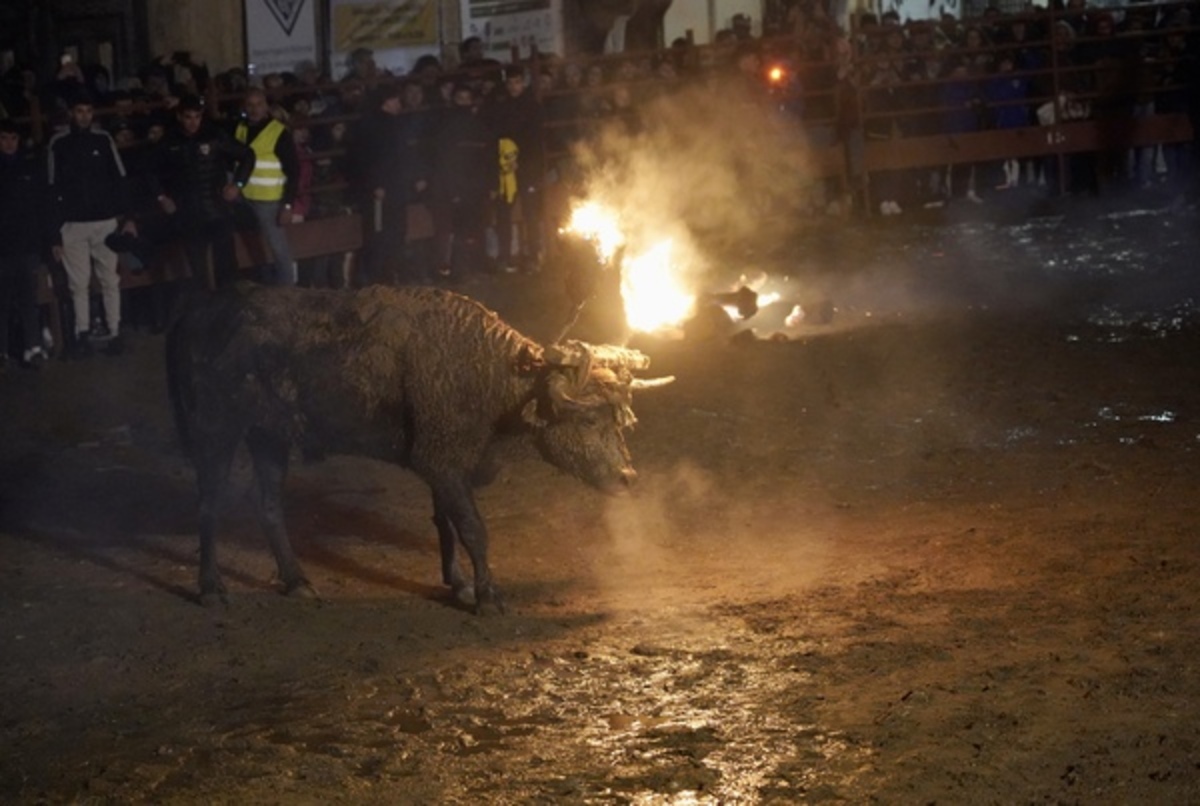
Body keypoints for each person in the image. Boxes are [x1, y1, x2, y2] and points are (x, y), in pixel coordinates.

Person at [47, 92, 138, 357]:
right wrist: (55, 231)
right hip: (73, 222)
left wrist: (128, 216)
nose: (84, 116)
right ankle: (83, 333)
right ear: (71, 113)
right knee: (79, 282)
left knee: (109, 278)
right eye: (79, 111)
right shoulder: (58, 143)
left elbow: (119, 179)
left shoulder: (103, 139)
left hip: (104, 221)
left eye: (88, 111)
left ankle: (114, 331)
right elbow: (52, 188)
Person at [152, 94, 255, 292]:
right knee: (198, 271)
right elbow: (150, 171)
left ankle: (228, 309)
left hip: (217, 209)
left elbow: (247, 155)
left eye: (197, 117)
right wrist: (161, 197)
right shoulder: (169, 140)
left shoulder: (214, 136)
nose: (193, 122)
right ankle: (205, 311)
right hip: (188, 213)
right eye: (188, 117)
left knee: (226, 266)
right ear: (180, 117)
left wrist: (238, 184)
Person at [351, 83, 427, 286]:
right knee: (381, 233)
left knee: (393, 231)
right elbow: (370, 159)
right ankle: (377, 274)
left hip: (393, 186)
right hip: (386, 188)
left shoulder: (388, 124)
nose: (399, 103)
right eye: (395, 99)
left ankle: (387, 273)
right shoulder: (377, 127)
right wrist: (376, 184)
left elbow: (401, 155)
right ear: (387, 101)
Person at [234, 87, 299, 285]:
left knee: (278, 248)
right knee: (252, 244)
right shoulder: (241, 129)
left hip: (269, 200)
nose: (255, 109)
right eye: (250, 105)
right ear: (244, 107)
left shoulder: (278, 133)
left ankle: (288, 290)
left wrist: (287, 204)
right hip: (244, 198)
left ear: (266, 107)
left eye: (259, 104)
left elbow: (293, 170)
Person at [0, 119, 51, 370]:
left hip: (27, 245)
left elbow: (41, 207)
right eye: (4, 138)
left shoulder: (29, 169)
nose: (9, 144)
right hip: (2, 249)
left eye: (13, 138)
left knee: (28, 300)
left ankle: (33, 347)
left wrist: (44, 242)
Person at [430, 82, 494, 281]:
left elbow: (487, 157)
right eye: (461, 99)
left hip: (475, 187)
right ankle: (457, 271)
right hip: (457, 189)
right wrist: (454, 191)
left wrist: (490, 185)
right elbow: (445, 161)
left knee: (473, 229)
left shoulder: (479, 126)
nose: (464, 103)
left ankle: (469, 267)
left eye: (468, 99)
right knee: (459, 230)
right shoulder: (447, 127)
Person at [486, 66, 546, 273]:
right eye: (510, 82)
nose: (514, 86)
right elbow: (496, 135)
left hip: (526, 167)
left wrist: (526, 161)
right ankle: (506, 256)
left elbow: (536, 140)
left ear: (523, 82)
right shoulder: (500, 106)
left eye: (517, 82)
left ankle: (533, 256)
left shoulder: (531, 106)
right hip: (507, 167)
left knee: (530, 212)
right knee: (505, 212)